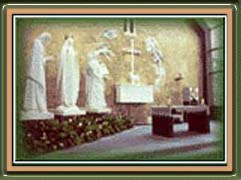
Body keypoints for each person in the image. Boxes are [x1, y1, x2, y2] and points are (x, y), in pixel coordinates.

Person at [22, 32, 54, 120]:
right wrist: (46, 59)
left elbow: (38, 59)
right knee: (39, 87)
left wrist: (46, 59)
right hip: (36, 72)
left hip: (37, 70)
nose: (46, 43)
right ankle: (37, 107)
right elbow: (37, 60)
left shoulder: (38, 45)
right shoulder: (38, 44)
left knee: (38, 88)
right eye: (47, 41)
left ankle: (36, 107)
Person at [56, 35, 80, 113]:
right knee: (66, 86)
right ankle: (66, 101)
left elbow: (74, 61)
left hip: (72, 72)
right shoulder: (65, 49)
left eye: (72, 42)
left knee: (72, 87)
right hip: (67, 72)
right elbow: (64, 60)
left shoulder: (71, 49)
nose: (71, 44)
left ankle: (71, 101)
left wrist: (75, 56)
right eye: (70, 42)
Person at [86, 43, 113, 112]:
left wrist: (104, 75)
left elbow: (102, 72)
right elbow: (94, 72)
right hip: (94, 81)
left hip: (99, 81)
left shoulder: (98, 63)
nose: (98, 57)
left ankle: (99, 104)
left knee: (100, 92)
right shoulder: (92, 63)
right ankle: (93, 104)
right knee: (94, 92)